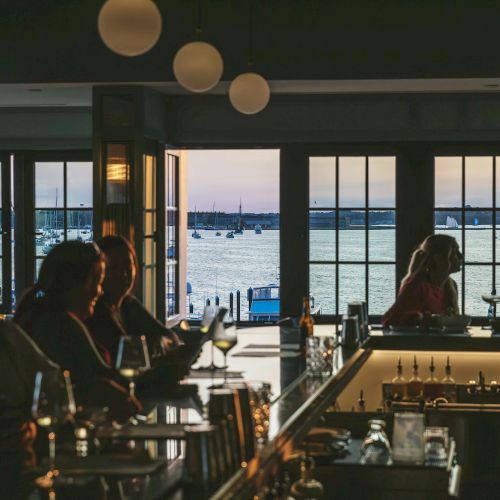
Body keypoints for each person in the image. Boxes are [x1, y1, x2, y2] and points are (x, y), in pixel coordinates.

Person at [14, 240, 140, 420]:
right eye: (96, 282)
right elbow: (104, 380)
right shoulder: (60, 324)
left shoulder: (37, 315)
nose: (100, 292)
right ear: (74, 283)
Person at [85, 235, 180, 366]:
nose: (124, 273)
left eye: (128, 265)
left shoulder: (128, 303)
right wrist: (157, 344)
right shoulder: (96, 311)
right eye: (113, 268)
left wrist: (161, 342)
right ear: (99, 273)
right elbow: (127, 354)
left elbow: (171, 336)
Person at [382, 234, 462, 327]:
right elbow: (389, 320)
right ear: (439, 257)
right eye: (455, 252)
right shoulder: (416, 285)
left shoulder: (451, 286)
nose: (461, 256)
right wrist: (418, 319)